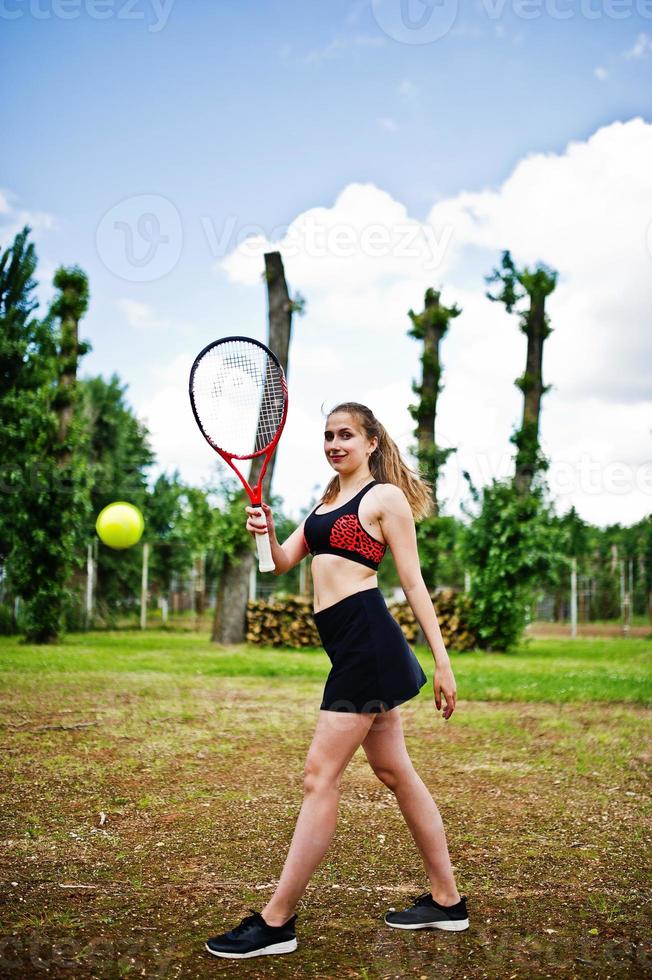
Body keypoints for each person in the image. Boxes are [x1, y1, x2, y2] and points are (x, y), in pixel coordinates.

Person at [205, 402, 469, 960]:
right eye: (328, 435)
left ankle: (277, 921)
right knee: (396, 771)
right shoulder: (325, 502)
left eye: (346, 434)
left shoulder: (384, 499)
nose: (335, 443)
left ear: (371, 442)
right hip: (350, 646)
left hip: (368, 646)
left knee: (318, 776)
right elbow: (277, 564)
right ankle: (447, 902)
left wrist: (443, 661)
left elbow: (414, 584)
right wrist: (264, 532)